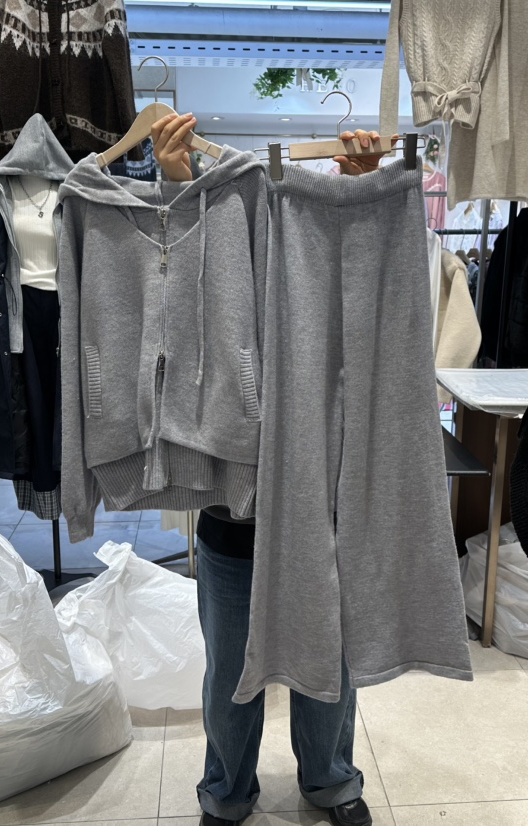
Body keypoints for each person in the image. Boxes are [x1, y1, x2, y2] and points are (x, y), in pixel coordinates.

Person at [151, 113, 391, 826]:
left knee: (329, 660)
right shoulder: (212, 242)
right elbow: (167, 285)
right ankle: (227, 790)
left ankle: (330, 779)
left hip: (321, 502)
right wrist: (177, 187)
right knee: (231, 669)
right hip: (233, 510)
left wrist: (360, 192)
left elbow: (367, 298)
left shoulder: (317, 245)